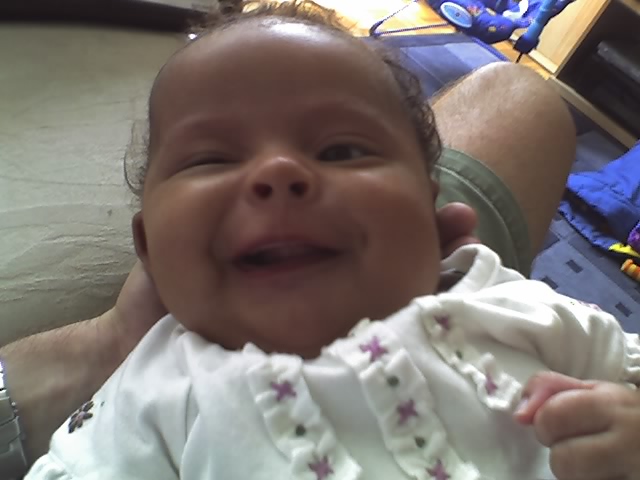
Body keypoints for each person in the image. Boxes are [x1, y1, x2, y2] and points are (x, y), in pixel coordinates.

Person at [7, 1, 640, 479]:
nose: (278, 171)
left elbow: (623, 364)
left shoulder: (506, 305)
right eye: (211, 159)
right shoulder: (148, 404)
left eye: (341, 150)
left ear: (432, 216)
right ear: (149, 249)